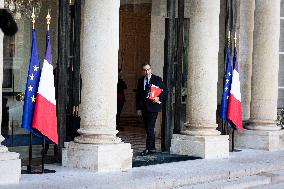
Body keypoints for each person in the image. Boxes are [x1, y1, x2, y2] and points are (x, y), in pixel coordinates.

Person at [136, 63, 167, 156]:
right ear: (142, 71)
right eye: (145, 70)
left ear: (151, 69)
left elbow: (165, 91)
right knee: (148, 129)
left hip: (153, 108)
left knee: (150, 128)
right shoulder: (140, 80)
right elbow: (138, 96)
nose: (147, 72)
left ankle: (148, 148)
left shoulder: (157, 79)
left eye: (148, 69)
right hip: (144, 108)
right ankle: (152, 148)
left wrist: (158, 98)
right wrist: (138, 108)